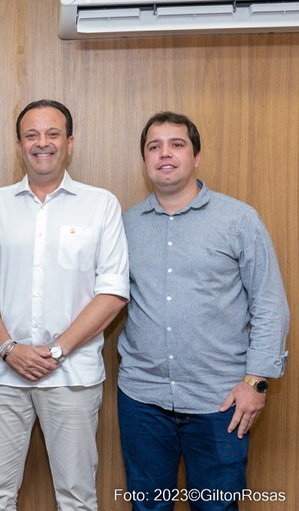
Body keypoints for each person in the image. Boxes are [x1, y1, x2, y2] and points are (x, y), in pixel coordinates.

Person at [117, 111, 289, 510]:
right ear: (144, 160)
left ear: (196, 156)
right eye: (153, 146)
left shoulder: (238, 219)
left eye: (177, 144)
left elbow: (269, 304)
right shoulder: (125, 226)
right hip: (143, 401)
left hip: (221, 402)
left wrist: (257, 383)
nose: (165, 154)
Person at [0, 99, 130, 511]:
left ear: (70, 142)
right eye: (32, 135)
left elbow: (112, 291)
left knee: (77, 498)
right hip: (3, 374)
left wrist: (56, 351)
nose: (42, 143)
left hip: (72, 376)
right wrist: (9, 348)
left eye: (52, 133)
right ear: (19, 145)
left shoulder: (101, 205)